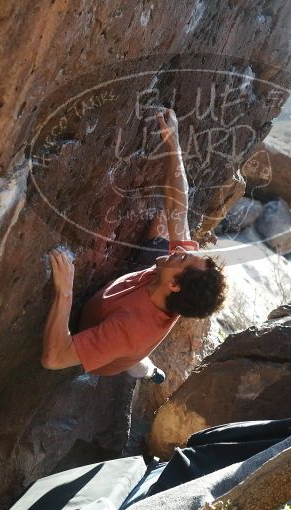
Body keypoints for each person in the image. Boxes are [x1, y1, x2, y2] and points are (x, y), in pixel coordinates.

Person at [41, 109, 227, 378]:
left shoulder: (128, 330)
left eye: (185, 259)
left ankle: (148, 370)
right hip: (136, 293)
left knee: (134, 361)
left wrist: (64, 292)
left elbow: (53, 358)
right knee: (168, 217)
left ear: (175, 284)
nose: (184, 251)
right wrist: (172, 144)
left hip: (104, 333)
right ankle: (143, 362)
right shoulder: (172, 278)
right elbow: (178, 204)